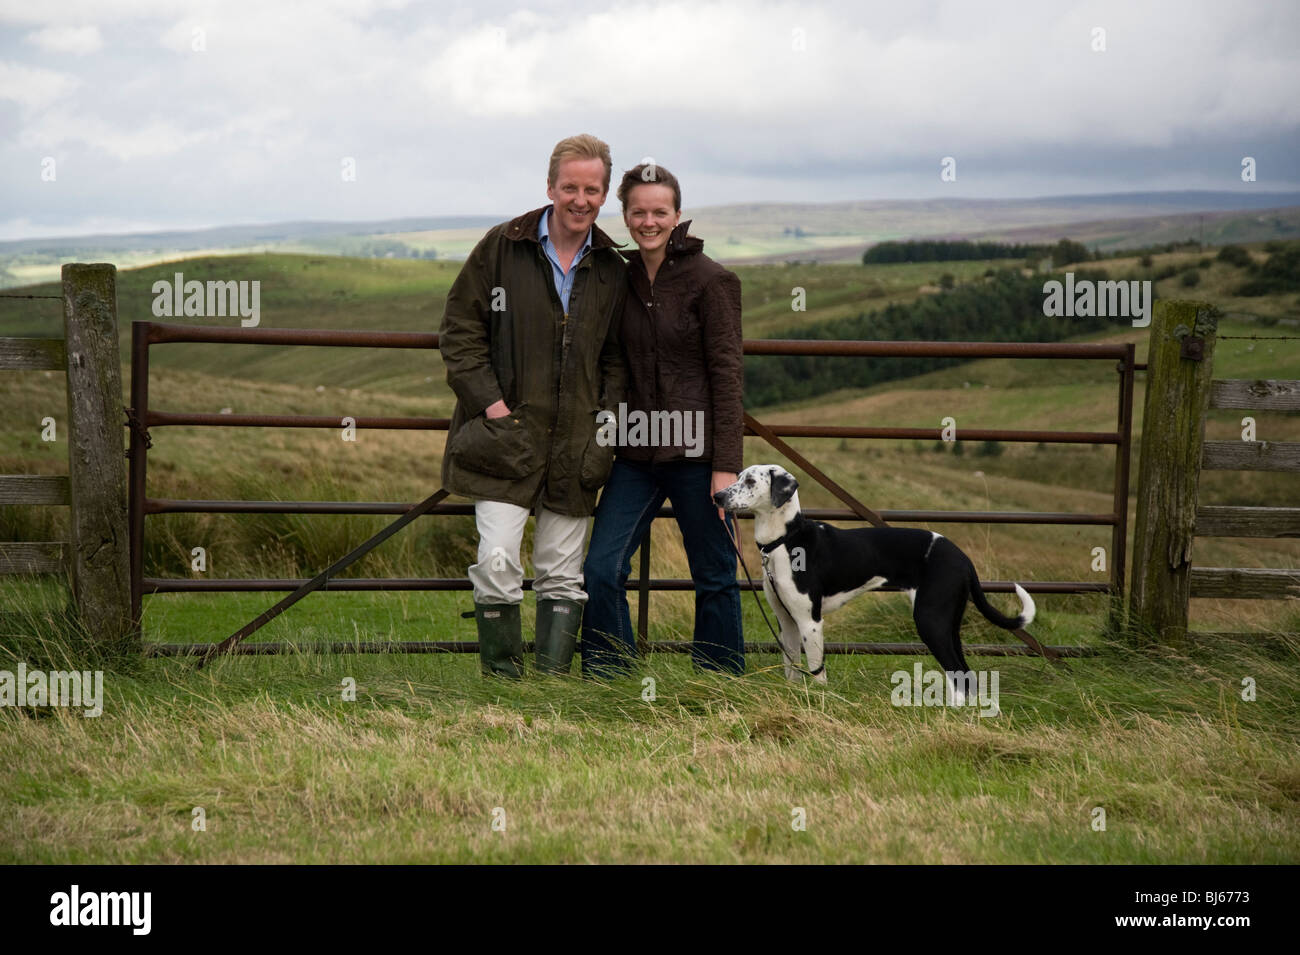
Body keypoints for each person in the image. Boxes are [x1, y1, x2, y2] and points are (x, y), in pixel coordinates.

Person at [439, 134, 627, 677]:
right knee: (496, 563)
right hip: (505, 440)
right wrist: (493, 409)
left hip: (577, 448)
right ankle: (502, 686)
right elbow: (460, 331)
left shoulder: (611, 267)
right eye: (570, 187)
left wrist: (605, 427)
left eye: (592, 189)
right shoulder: (503, 247)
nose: (580, 199)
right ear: (550, 187)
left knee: (562, 576)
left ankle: (549, 690)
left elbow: (618, 360)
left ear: (604, 194)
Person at [580, 163, 745, 676]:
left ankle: (718, 680)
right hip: (636, 452)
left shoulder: (712, 280)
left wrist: (727, 466)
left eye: (659, 211)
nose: (648, 221)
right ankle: (612, 675)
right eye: (638, 212)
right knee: (601, 568)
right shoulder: (619, 277)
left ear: (677, 214)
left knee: (714, 573)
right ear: (625, 215)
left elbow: (728, 376)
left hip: (697, 455)